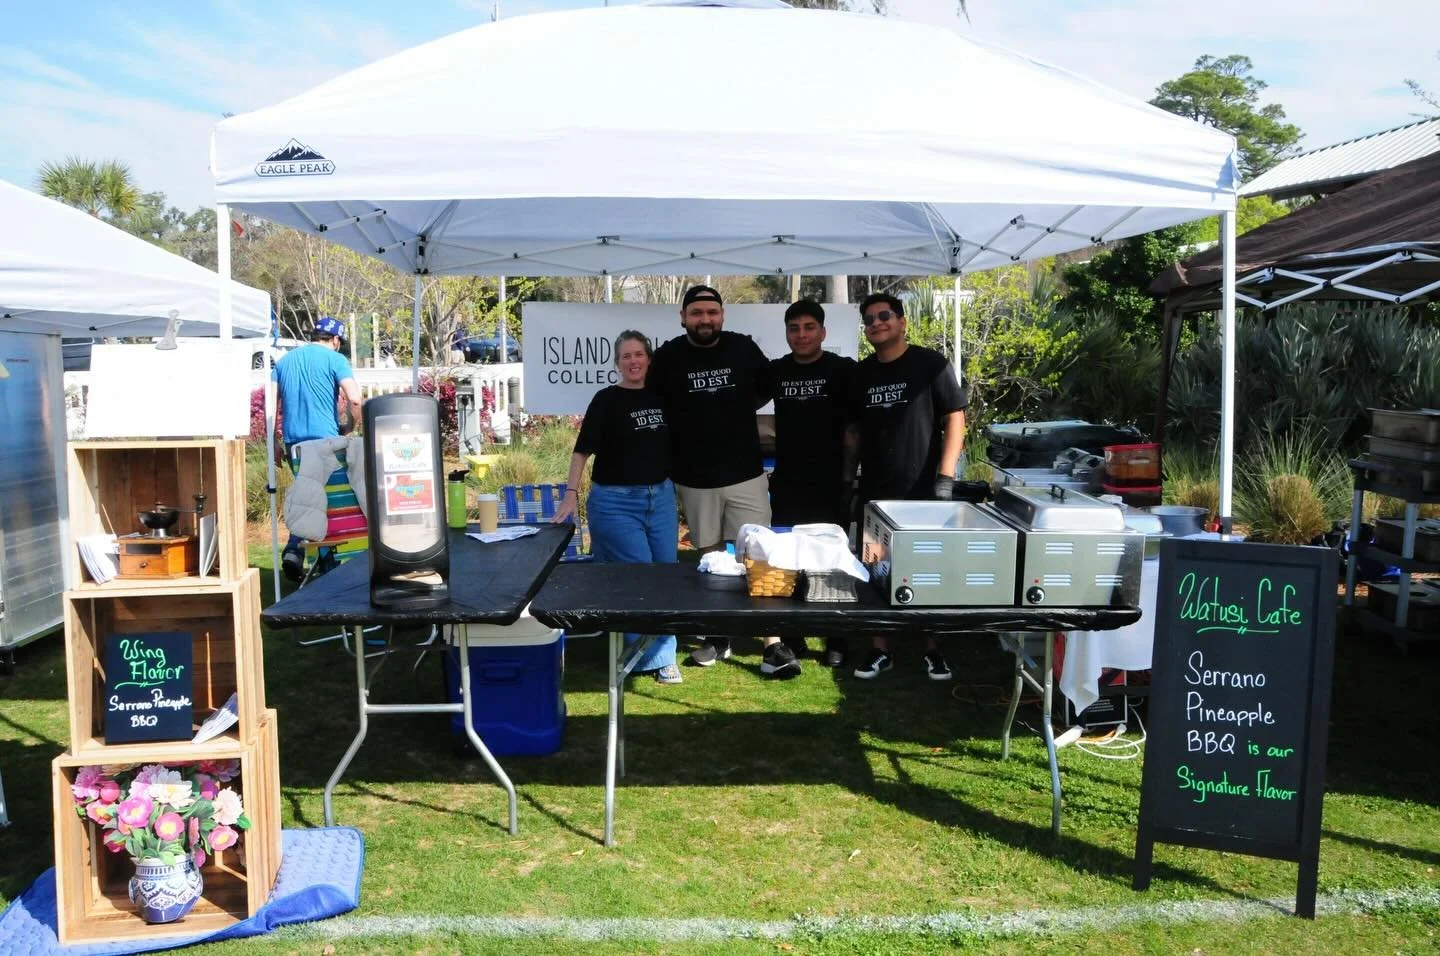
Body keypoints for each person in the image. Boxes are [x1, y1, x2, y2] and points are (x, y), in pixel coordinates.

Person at [647, 285, 798, 679]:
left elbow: (765, 389)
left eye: (712, 312)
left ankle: (772, 644)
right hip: (694, 479)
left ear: (722, 316)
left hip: (745, 473)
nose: (705, 319)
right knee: (711, 557)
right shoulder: (666, 358)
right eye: (697, 313)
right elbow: (656, 405)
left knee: (761, 554)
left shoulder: (742, 349)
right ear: (683, 318)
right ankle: (719, 633)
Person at [848, 293, 967, 681]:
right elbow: (853, 434)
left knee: (929, 571)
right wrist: (847, 480)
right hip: (877, 492)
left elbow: (956, 418)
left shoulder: (930, 365)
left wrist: (945, 479)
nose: (877, 323)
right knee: (877, 569)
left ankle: (934, 650)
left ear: (902, 322)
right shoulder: (861, 374)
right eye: (869, 319)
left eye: (884, 316)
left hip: (926, 492)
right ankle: (881, 650)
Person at [554, 331, 682, 684]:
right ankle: (653, 657)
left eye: (639, 354)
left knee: (666, 574)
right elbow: (581, 451)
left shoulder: (663, 397)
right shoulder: (606, 400)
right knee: (638, 574)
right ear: (617, 363)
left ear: (648, 359)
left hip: (660, 499)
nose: (633, 361)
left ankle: (655, 652)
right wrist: (570, 493)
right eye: (626, 356)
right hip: (615, 502)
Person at [768, 299, 857, 668]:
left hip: (832, 479)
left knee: (833, 560)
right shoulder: (775, 371)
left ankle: (836, 637)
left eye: (808, 327)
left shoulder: (843, 370)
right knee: (789, 557)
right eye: (794, 328)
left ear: (823, 331)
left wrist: (849, 478)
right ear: (787, 333)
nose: (801, 335)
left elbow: (854, 430)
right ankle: (793, 635)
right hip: (788, 480)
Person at [269, 316, 363, 582]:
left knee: (307, 500)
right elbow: (354, 399)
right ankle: (330, 569)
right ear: (335, 340)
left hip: (294, 444)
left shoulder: (285, 362)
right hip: (325, 444)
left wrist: (273, 443)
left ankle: (294, 551)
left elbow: (270, 407)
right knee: (331, 505)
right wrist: (352, 426)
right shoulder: (336, 360)